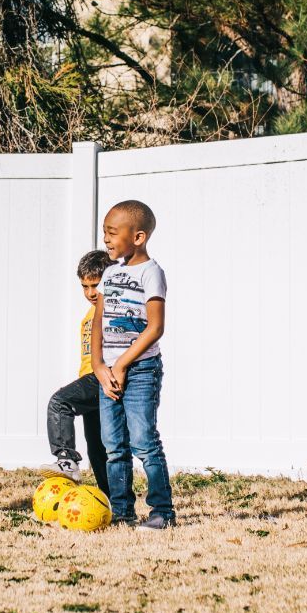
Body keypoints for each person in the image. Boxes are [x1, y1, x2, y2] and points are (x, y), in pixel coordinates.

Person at [93, 201, 174, 529]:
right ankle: (122, 512)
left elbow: (155, 327)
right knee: (114, 446)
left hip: (140, 370)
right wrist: (99, 366)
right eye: (104, 234)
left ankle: (161, 512)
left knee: (143, 441)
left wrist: (123, 364)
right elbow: (97, 322)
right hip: (107, 373)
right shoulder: (109, 273)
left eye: (112, 233)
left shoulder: (151, 272)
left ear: (138, 237)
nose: (107, 240)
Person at [46, 249, 117, 480]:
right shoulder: (90, 314)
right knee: (97, 449)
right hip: (89, 376)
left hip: (102, 378)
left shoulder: (112, 309)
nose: (90, 292)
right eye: (85, 287)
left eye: (95, 285)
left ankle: (66, 459)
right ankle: (111, 501)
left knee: (60, 402)